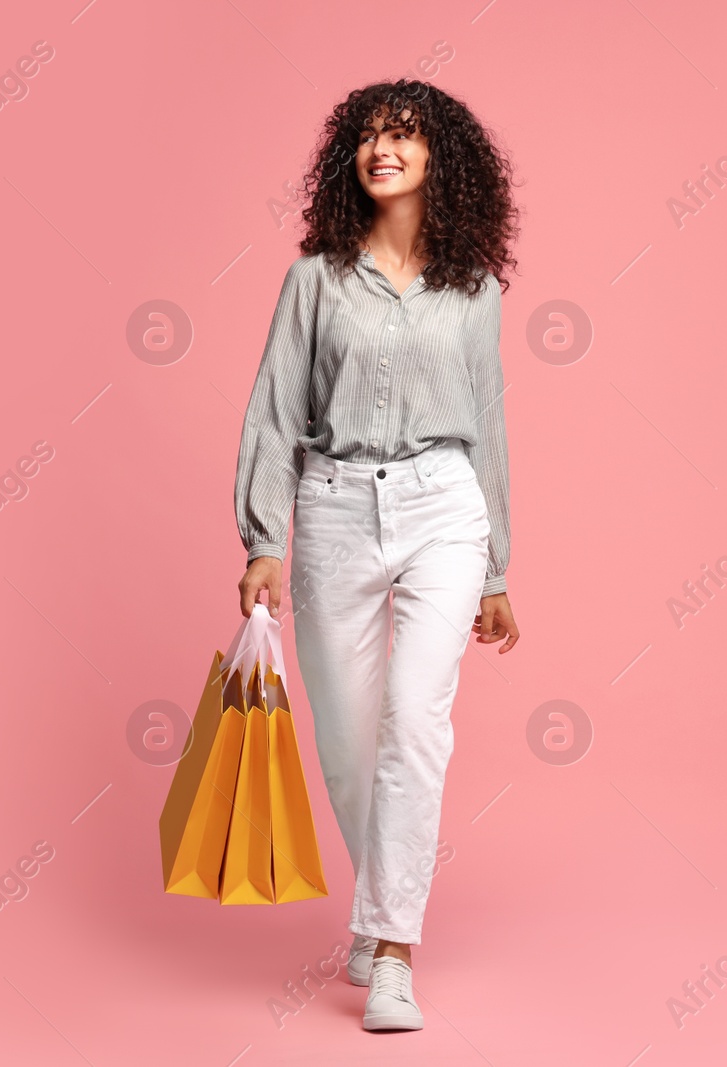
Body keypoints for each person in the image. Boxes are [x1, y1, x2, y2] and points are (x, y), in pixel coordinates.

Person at [233, 79, 521, 1033]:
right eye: (366, 136)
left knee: (415, 721)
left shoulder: (473, 290)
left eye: (401, 135)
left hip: (445, 506)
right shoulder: (314, 280)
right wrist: (263, 539)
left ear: (444, 159)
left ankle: (392, 948)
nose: (380, 148)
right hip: (335, 507)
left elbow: (488, 426)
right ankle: (378, 910)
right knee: (351, 745)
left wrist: (497, 568)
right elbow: (276, 411)